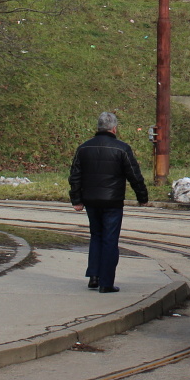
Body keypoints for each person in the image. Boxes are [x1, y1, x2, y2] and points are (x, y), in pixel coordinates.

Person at [68, 112, 149, 293]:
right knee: (110, 240)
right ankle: (106, 283)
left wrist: (77, 200)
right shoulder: (122, 149)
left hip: (90, 201)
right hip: (112, 202)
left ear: (98, 127)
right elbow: (134, 175)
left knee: (96, 236)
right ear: (114, 128)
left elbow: (75, 176)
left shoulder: (84, 148)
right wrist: (142, 197)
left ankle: (94, 276)